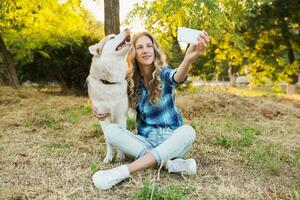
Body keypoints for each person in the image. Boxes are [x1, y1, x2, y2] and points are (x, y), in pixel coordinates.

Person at [92, 30, 209, 190]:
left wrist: (187, 60)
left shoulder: (163, 73)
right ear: (134, 53)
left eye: (149, 46)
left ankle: (123, 171)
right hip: (145, 141)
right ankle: (169, 164)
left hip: (172, 140)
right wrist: (96, 106)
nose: (145, 50)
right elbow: (108, 92)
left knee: (188, 131)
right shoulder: (129, 81)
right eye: (140, 47)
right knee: (111, 131)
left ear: (154, 50)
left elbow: (177, 77)